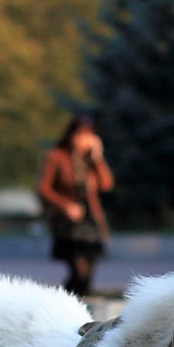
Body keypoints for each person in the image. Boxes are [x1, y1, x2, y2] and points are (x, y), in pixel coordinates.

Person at [36, 114, 114, 297]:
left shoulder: (90, 161)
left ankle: (78, 309)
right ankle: (59, 301)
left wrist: (97, 158)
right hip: (69, 224)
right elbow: (43, 188)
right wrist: (65, 206)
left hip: (90, 221)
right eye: (80, 135)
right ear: (71, 135)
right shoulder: (56, 157)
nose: (84, 140)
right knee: (80, 272)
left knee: (88, 276)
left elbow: (106, 184)